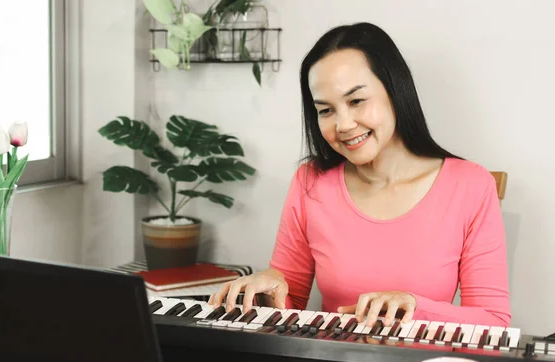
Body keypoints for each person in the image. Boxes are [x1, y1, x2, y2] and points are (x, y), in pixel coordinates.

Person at [208, 22, 511, 328]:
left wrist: (413, 308)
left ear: (395, 91)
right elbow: (290, 307)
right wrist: (267, 293)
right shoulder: (310, 182)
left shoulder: (471, 185)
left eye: (356, 101)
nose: (343, 124)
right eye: (325, 110)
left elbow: (493, 322)